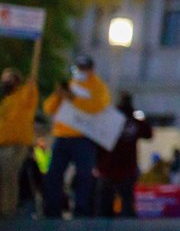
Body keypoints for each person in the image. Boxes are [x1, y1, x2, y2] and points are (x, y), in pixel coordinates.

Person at [42, 54, 111, 218]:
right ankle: (53, 209)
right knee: (53, 173)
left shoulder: (97, 86)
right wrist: (59, 95)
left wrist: (73, 99)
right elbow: (48, 108)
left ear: (91, 70)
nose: (80, 71)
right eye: (78, 68)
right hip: (62, 136)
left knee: (84, 175)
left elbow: (98, 107)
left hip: (83, 137)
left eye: (84, 68)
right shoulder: (70, 84)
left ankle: (81, 210)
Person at [95, 92, 152, 217]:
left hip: (108, 167)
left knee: (105, 203)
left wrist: (98, 163)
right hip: (126, 168)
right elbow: (148, 133)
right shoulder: (134, 122)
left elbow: (99, 142)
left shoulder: (109, 121)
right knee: (126, 202)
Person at [0, 67, 39, 219]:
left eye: (8, 79)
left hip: (16, 144)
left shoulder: (24, 94)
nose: (5, 82)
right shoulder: (6, 100)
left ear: (16, 81)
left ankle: (8, 210)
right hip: (3, 144)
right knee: (5, 176)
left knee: (8, 175)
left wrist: (31, 86)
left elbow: (30, 97)